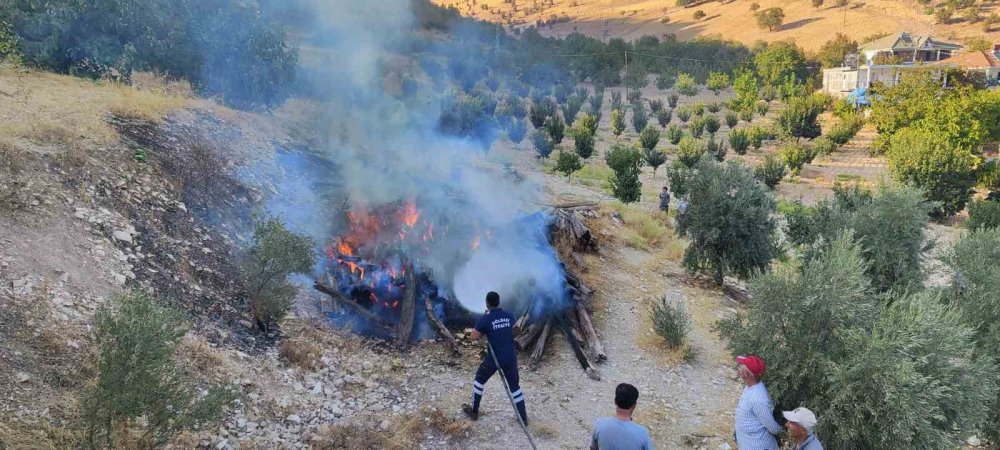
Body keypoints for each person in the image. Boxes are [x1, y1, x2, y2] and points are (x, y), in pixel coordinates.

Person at [462, 291, 528, 425]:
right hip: (510, 357)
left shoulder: (486, 318)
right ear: (499, 302)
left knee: (479, 380)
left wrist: (484, 327)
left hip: (495, 358)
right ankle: (523, 419)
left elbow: (473, 336)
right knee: (515, 386)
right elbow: (513, 331)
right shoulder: (509, 316)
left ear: (487, 303)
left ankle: (474, 411)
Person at [734, 355, 780, 450]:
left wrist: (781, 431)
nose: (738, 369)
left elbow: (773, 428)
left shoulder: (758, 399)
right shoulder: (750, 387)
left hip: (758, 446)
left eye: (740, 367)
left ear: (745, 373)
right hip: (748, 443)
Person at [590, 383, 653, 450]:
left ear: (615, 401)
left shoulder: (599, 424)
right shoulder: (642, 433)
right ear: (634, 405)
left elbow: (593, 448)